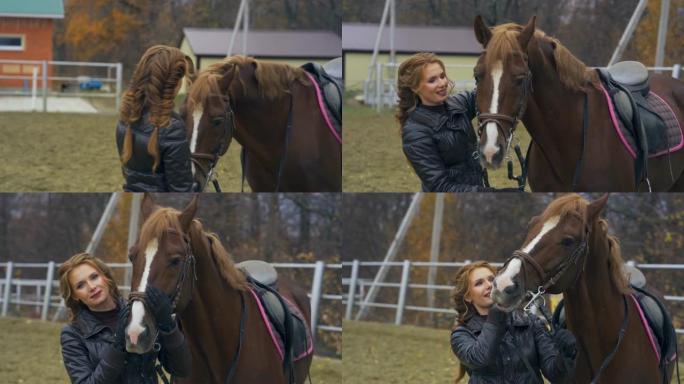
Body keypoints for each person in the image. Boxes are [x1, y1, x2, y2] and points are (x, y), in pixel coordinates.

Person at [59, 253, 191, 383]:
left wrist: (168, 325)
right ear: (75, 295)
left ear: (105, 277)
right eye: (80, 285)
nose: (92, 287)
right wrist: (117, 346)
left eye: (94, 277)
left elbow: (181, 369)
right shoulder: (73, 334)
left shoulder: (140, 314)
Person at [398, 53, 519, 192]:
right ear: (415, 88)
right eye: (432, 80)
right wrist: (493, 194)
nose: (442, 83)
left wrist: (505, 62)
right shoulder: (415, 132)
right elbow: (440, 186)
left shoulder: (458, 104)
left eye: (442, 76)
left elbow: (486, 92)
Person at [450, 261, 576, 384]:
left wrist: (565, 355)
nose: (489, 285)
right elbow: (480, 358)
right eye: (479, 283)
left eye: (491, 279)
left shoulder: (530, 322)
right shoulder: (461, 334)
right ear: (468, 297)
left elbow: (556, 376)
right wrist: (497, 313)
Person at [116, 45, 196, 192]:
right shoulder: (172, 128)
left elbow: (129, 173)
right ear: (175, 84)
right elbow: (181, 189)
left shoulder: (125, 117)